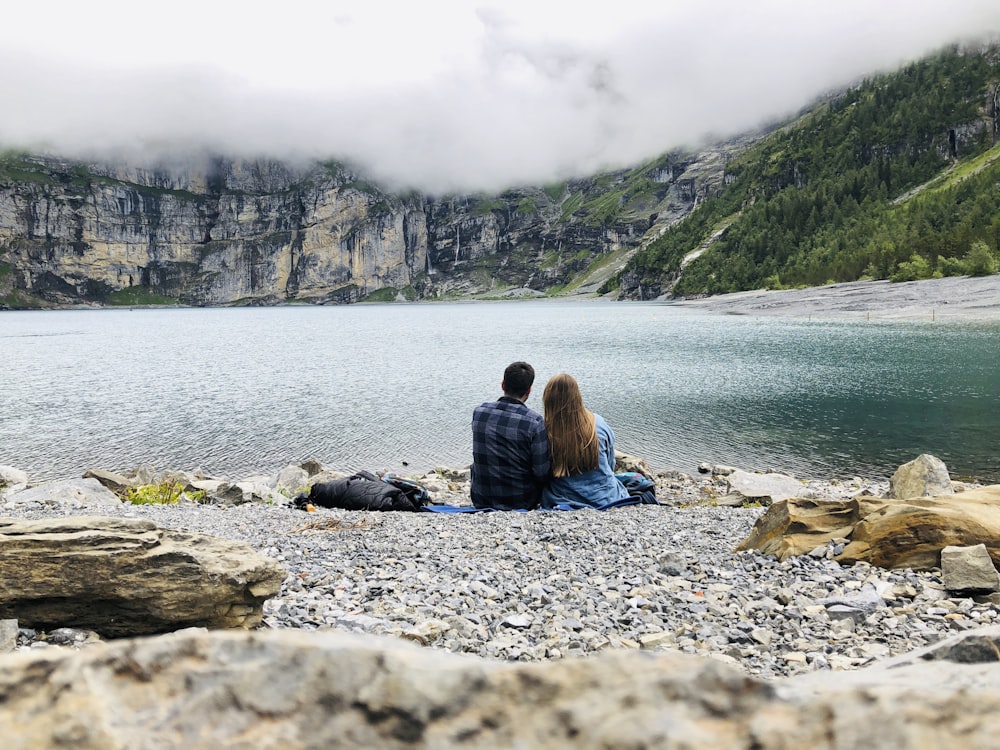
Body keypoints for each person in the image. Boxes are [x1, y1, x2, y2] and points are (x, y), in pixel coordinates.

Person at [540, 373, 630, 510]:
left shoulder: (544, 431)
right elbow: (611, 463)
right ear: (578, 397)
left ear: (548, 399)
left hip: (563, 499)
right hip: (607, 498)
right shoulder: (598, 424)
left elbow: (541, 473)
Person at [471, 361, 551, 510]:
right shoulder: (535, 422)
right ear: (529, 391)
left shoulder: (479, 413)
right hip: (521, 501)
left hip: (481, 499)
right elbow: (541, 473)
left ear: (503, 384)